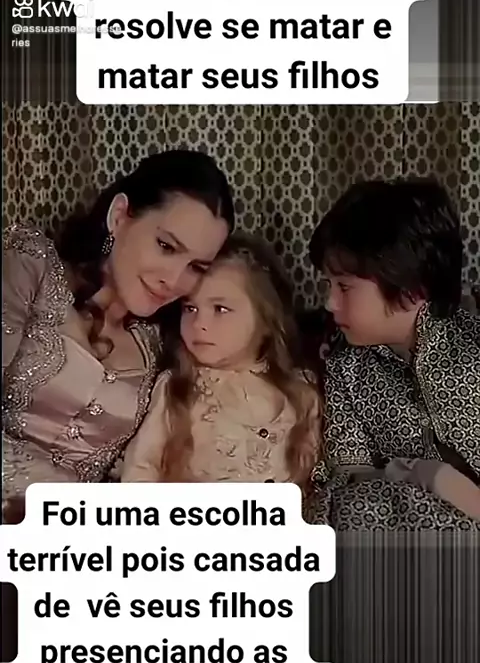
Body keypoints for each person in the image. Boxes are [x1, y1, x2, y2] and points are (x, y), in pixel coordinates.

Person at [2, 150, 234, 518]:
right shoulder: (32, 264)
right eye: (166, 246)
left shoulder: (163, 347)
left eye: (196, 267)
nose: (174, 280)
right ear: (120, 215)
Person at [305, 178, 480, 529]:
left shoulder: (473, 343)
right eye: (328, 284)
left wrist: (452, 486)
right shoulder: (345, 368)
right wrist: (418, 476)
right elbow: (348, 474)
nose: (329, 303)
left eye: (345, 287)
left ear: (411, 290)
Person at [121, 233, 321, 485]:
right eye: (190, 308)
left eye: (220, 309)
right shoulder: (177, 388)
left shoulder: (301, 393)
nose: (199, 324)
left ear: (266, 318)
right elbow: (141, 470)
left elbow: (312, 479)